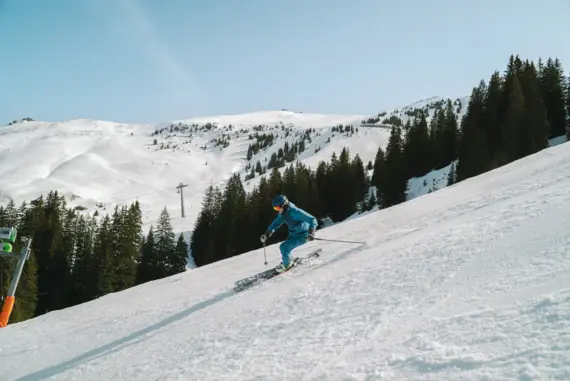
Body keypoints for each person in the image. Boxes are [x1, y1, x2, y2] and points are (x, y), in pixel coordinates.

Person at [260, 195, 318, 272]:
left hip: (303, 235)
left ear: (283, 205)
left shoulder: (295, 212)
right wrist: (268, 233)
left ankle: (287, 265)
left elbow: (312, 220)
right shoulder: (283, 212)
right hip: (294, 234)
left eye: (277, 208)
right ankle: (288, 260)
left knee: (284, 247)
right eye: (275, 208)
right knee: (286, 249)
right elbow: (276, 223)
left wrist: (311, 233)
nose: (277, 210)